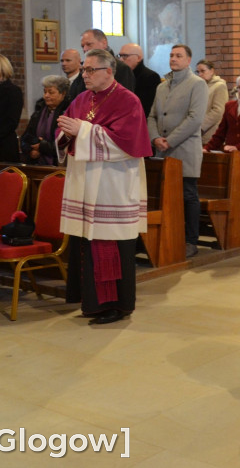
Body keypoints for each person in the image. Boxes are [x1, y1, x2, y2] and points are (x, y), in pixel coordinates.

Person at [58, 49, 152, 325]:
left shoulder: (127, 100)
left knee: (108, 243)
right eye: (84, 70)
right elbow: (67, 130)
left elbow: (127, 142)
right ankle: (89, 300)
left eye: (90, 70)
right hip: (86, 182)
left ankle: (114, 305)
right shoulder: (81, 98)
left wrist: (82, 131)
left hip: (113, 183)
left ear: (108, 71)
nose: (84, 75)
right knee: (87, 241)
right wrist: (65, 132)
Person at [148, 44, 208, 259]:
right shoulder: (162, 86)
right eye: (172, 55)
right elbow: (152, 116)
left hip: (184, 149)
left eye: (178, 56)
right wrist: (155, 137)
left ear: (189, 60)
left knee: (188, 195)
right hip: (162, 150)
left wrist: (170, 140)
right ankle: (169, 236)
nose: (173, 59)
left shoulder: (197, 84)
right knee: (165, 196)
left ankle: (191, 241)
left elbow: (195, 118)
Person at [67, 29, 135, 100]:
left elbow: (125, 98)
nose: (85, 49)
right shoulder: (84, 67)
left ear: (104, 43)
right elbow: (74, 94)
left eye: (89, 44)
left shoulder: (121, 68)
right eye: (82, 46)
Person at [20, 75, 70, 165]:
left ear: (63, 94)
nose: (46, 96)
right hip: (36, 162)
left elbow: (66, 144)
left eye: (51, 92)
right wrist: (30, 150)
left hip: (57, 163)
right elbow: (25, 137)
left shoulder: (68, 113)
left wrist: (42, 147)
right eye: (45, 92)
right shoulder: (39, 110)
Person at [118, 43, 161, 117]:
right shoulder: (119, 75)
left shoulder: (151, 77)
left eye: (125, 56)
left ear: (138, 58)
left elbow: (147, 108)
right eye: (120, 56)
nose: (120, 59)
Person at [196, 59, 230, 144]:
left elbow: (218, 111)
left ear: (211, 71)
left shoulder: (219, 86)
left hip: (210, 131)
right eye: (198, 72)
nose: (200, 75)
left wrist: (200, 127)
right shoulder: (200, 86)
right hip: (196, 132)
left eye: (203, 71)